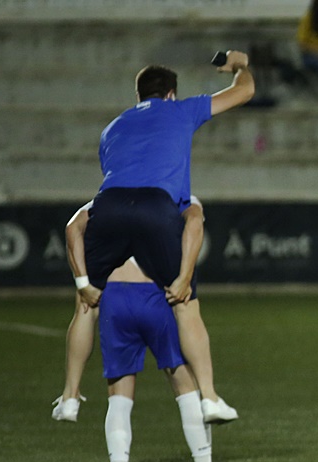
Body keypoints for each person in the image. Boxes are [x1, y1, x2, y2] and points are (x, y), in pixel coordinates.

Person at [80, 55, 252, 421]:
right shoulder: (181, 111)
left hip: (108, 205)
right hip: (156, 207)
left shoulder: (112, 127)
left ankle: (69, 393)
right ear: (171, 95)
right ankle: (209, 397)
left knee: (86, 303)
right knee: (184, 301)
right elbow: (245, 91)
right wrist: (240, 65)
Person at [55, 197, 237, 424]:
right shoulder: (176, 194)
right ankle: (209, 398)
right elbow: (194, 221)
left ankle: (70, 395)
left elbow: (72, 228)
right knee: (185, 377)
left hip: (115, 300)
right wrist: (186, 277)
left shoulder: (109, 197)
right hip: (156, 300)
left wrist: (82, 283)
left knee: (86, 312)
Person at [93, 249, 237, 462]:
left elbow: (76, 234)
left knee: (118, 392)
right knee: (185, 381)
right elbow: (189, 224)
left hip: (113, 296)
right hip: (153, 293)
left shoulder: (97, 210)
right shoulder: (161, 208)